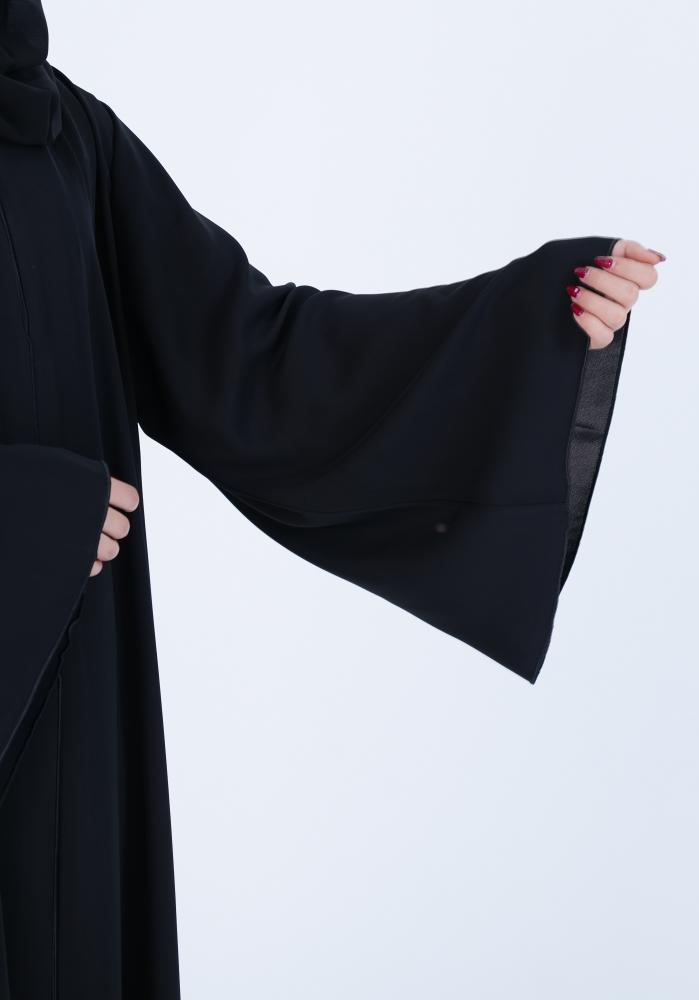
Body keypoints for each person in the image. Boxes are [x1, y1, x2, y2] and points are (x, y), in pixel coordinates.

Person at [0, 1, 663, 996]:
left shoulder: (60, 133)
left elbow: (250, 362)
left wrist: (525, 325)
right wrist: (22, 520)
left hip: (67, 709)